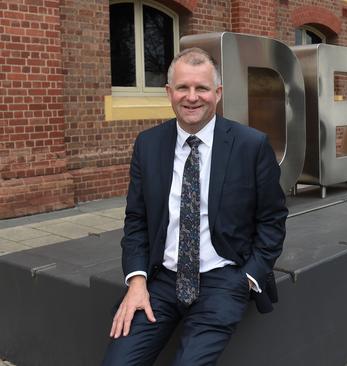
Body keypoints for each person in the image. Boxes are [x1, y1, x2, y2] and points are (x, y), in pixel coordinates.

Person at [102, 47, 288, 365]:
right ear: (169, 92)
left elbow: (272, 219)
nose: (192, 97)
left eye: (201, 88)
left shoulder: (251, 145)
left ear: (217, 93)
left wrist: (248, 277)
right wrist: (136, 280)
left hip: (222, 278)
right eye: (183, 87)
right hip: (160, 281)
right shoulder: (148, 145)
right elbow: (136, 219)